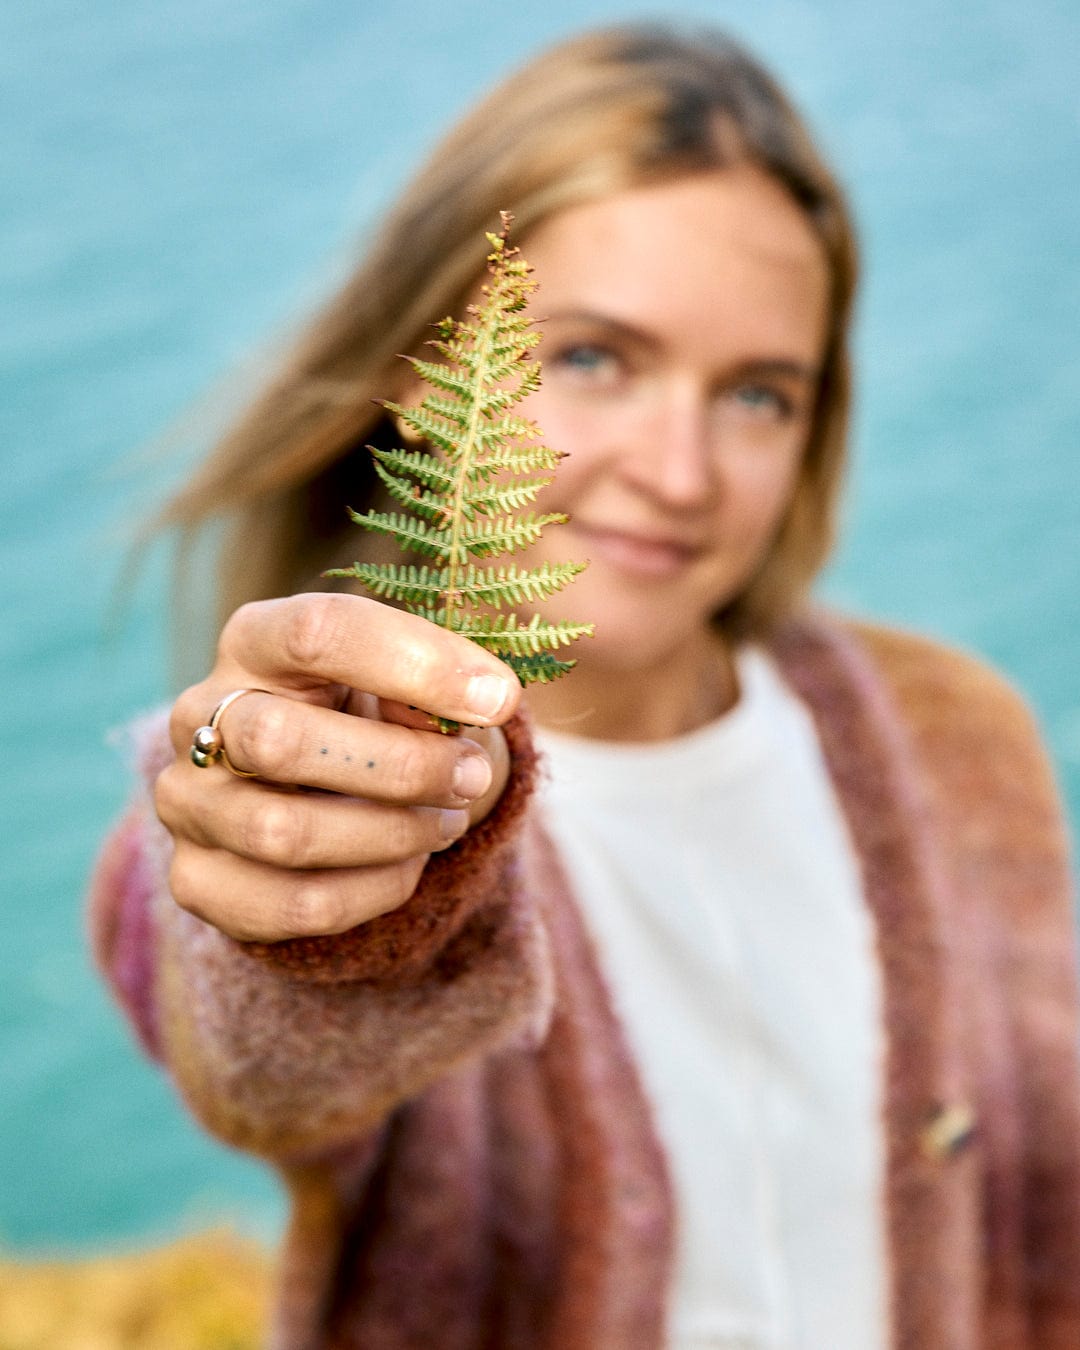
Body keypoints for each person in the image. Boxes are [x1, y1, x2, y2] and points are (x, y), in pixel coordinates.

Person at [88, 22, 1080, 1350]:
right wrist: (311, 929)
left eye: (758, 393)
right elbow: (256, 1061)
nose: (680, 470)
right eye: (594, 356)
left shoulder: (959, 732)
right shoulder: (275, 772)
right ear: (421, 375)